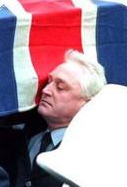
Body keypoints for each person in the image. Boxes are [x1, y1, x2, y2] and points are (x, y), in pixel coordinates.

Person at [20, 49, 106, 187]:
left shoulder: (94, 155)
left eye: (60, 87)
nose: (45, 90)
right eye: (48, 82)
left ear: (87, 103)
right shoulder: (28, 136)